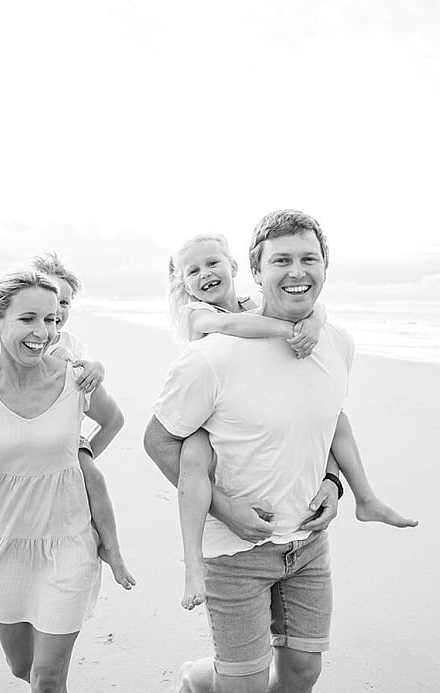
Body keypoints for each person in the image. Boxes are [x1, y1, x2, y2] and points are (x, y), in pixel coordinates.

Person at [145, 209, 403, 693]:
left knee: (302, 674)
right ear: (258, 270)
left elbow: (319, 425)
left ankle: (206, 679)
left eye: (310, 258)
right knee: (243, 685)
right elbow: (158, 441)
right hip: (235, 552)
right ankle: (199, 680)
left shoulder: (337, 342)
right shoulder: (211, 352)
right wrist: (226, 510)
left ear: (326, 266)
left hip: (307, 543)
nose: (297, 271)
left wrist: (334, 483)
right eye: (281, 260)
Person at [167, 233, 416, 612]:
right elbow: (236, 328)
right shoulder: (197, 314)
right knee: (192, 463)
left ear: (234, 267)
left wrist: (314, 318)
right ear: (183, 283)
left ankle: (365, 497)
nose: (205, 275)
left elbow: (310, 308)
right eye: (193, 271)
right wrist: (292, 329)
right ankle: (193, 565)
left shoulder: (255, 304)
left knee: (338, 419)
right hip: (206, 417)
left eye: (213, 263)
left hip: (241, 411)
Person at [0, 270, 126, 691]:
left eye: (53, 320)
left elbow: (112, 421)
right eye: (29, 319)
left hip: (68, 541)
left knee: (48, 678)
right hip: (4, 544)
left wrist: (72, 461)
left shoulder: (76, 377)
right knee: (23, 668)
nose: (44, 332)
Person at [0, 252, 135, 590]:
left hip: (64, 442)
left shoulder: (67, 346)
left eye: (61, 310)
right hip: (7, 437)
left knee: (93, 478)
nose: (50, 322)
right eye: (33, 315)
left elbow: (94, 376)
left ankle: (112, 549)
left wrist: (66, 465)